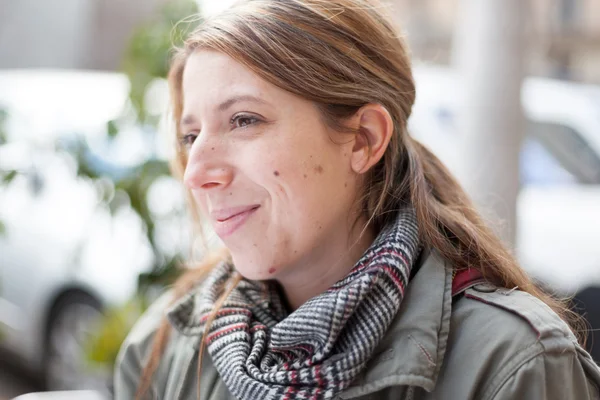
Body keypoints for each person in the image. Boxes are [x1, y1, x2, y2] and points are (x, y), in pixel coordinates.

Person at [114, 0, 600, 399]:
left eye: (244, 120)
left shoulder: (510, 367)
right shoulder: (165, 345)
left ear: (364, 138)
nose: (198, 172)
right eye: (190, 136)